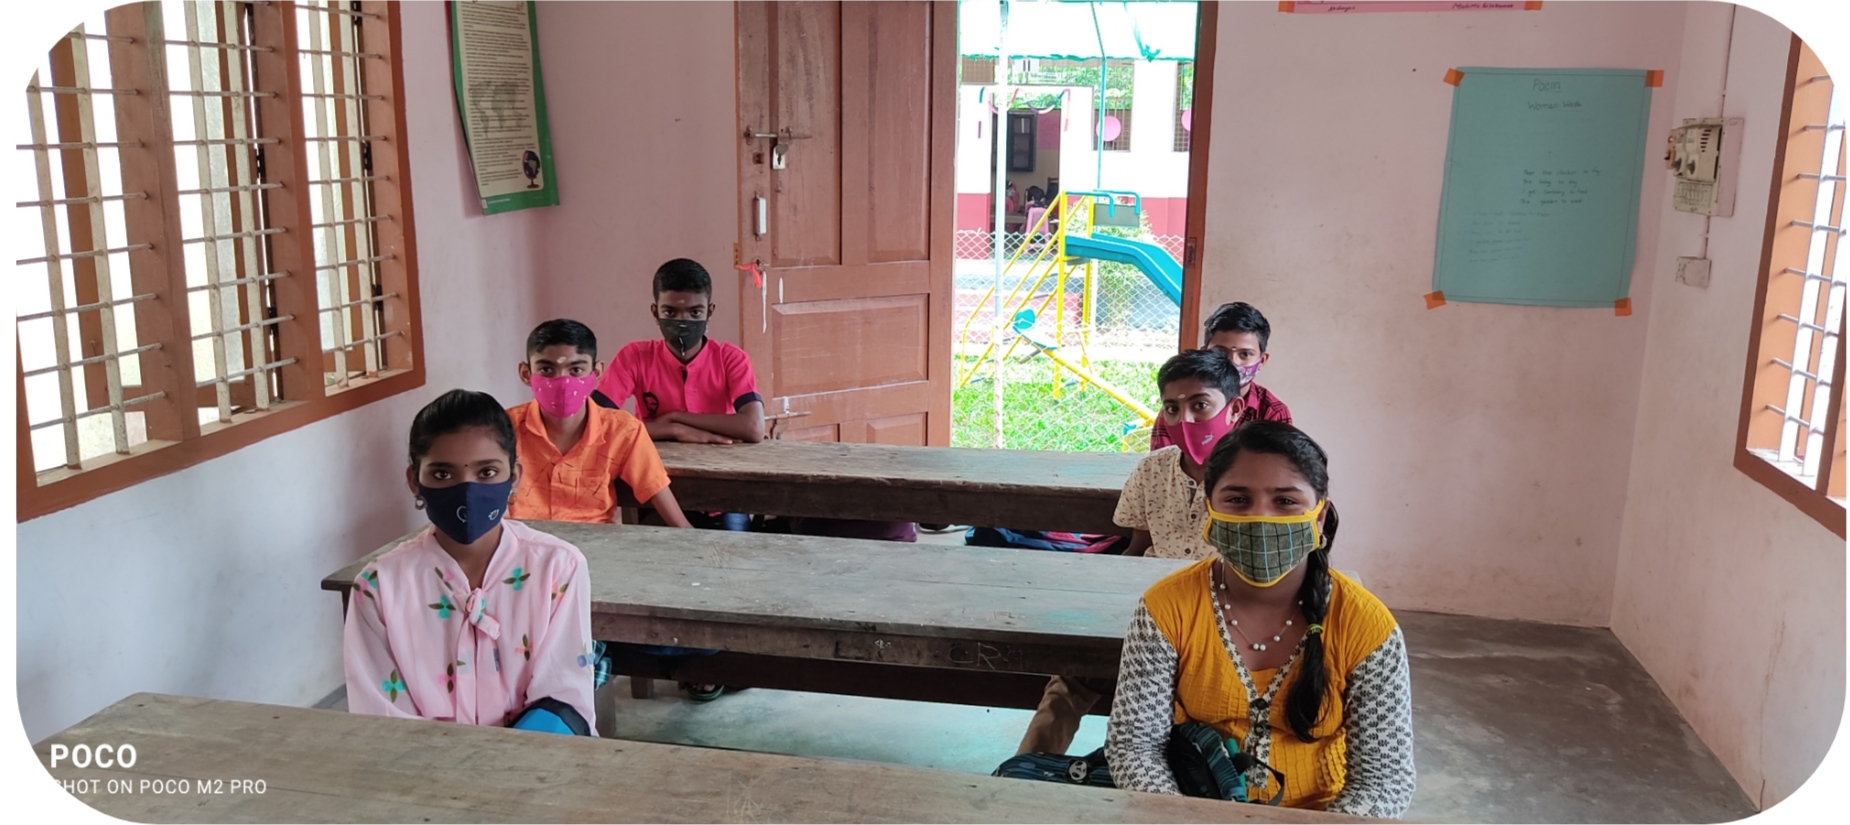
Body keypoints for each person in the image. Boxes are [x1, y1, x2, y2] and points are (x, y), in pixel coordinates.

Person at [1106, 421, 1415, 817]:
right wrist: (1180, 818)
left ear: (1319, 517)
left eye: (1285, 501)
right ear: (1210, 508)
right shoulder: (1166, 609)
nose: (1259, 518)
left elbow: (1384, 778)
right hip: (1194, 810)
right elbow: (1135, 746)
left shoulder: (1366, 626)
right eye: (1237, 499)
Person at [1014, 349, 1245, 755]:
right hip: (1148, 609)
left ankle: (1148, 775)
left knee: (1159, 704)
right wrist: (1101, 604)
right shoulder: (1152, 469)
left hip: (1217, 621)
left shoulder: (1254, 479)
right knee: (1069, 679)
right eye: (1172, 408)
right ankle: (1026, 772)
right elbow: (1138, 547)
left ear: (1234, 409)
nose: (1185, 419)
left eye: (1200, 405)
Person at [344, 390, 597, 735]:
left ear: (514, 477)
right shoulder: (379, 586)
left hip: (537, 761)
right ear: (414, 482)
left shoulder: (558, 568)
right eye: (442, 475)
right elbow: (380, 717)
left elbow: (563, 696)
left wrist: (500, 763)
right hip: (418, 765)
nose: (466, 491)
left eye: (487, 472)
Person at [596, 258, 763, 532]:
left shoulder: (730, 358)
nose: (683, 322)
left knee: (731, 553)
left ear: (710, 311)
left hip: (721, 489)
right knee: (653, 555)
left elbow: (754, 427)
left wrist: (677, 417)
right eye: (671, 312)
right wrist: (673, 430)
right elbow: (595, 424)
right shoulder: (635, 357)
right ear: (655, 311)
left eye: (695, 312)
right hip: (653, 490)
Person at [510, 319, 690, 529]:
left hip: (594, 543)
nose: (563, 381)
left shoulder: (622, 430)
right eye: (547, 370)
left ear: (596, 374)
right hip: (524, 541)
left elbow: (663, 500)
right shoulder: (504, 428)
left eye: (576, 370)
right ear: (526, 374)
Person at [1150, 302, 1292, 451]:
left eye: (1245, 354)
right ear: (1205, 353)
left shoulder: (1272, 412)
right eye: (1220, 352)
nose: (1233, 362)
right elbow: (1163, 460)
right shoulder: (1179, 409)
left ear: (1261, 361)